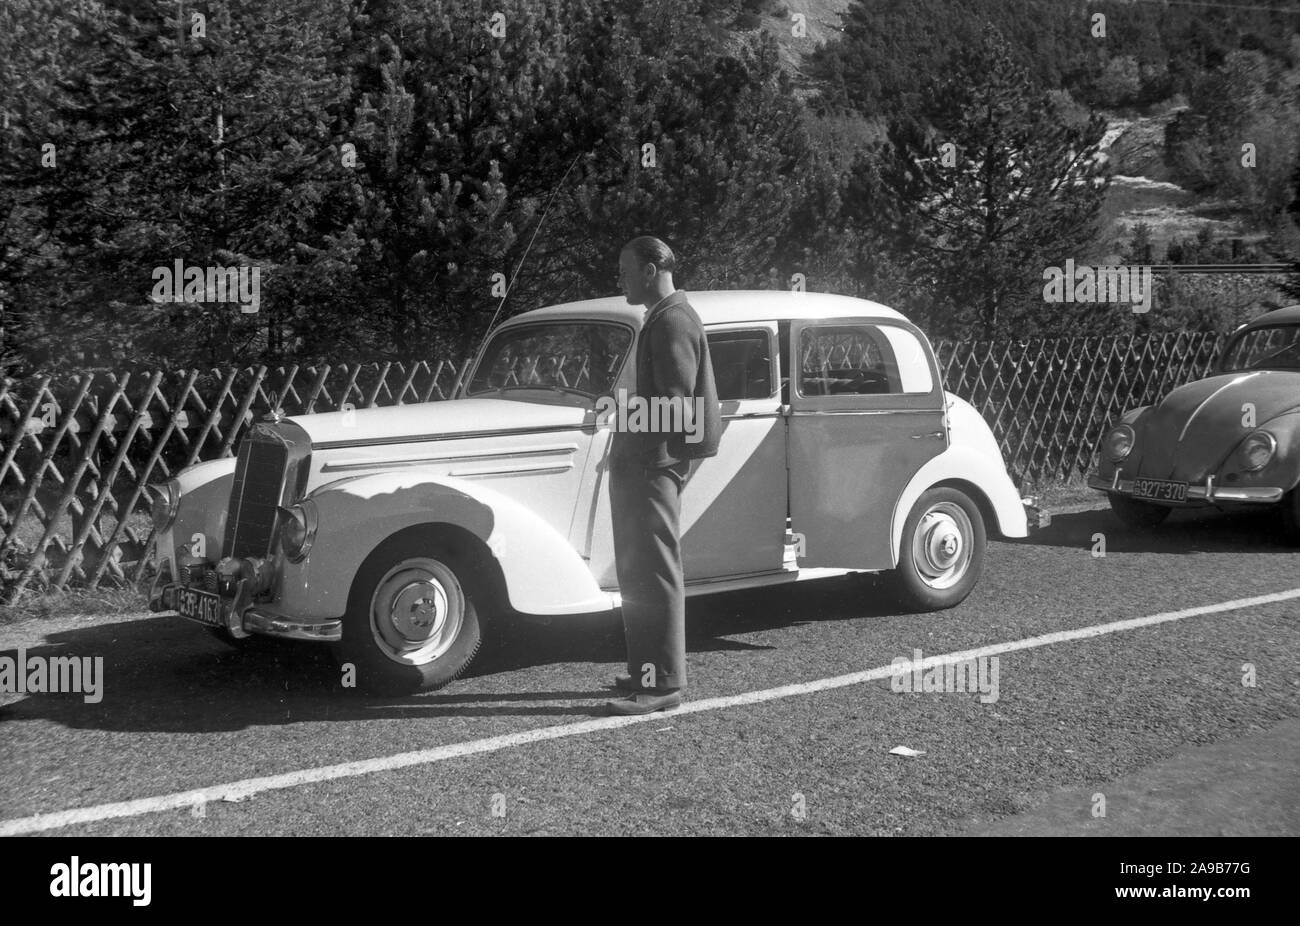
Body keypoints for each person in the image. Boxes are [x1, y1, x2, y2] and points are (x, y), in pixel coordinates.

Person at [605, 236, 721, 716]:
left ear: (651, 270)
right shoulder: (662, 316)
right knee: (639, 571)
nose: (622, 280)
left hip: (653, 464)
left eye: (627, 270)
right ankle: (646, 672)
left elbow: (676, 408)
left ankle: (664, 683)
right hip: (643, 462)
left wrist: (623, 411)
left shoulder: (673, 320)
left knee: (655, 571)